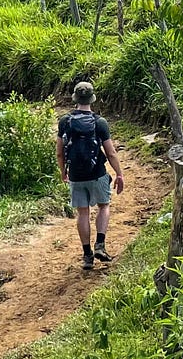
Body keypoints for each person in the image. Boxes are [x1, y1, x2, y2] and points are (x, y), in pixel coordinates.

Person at [57, 80, 124, 270]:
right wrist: (119, 174)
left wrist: (64, 173)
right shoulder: (99, 122)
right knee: (104, 206)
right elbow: (110, 152)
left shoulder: (65, 121)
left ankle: (87, 255)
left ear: (75, 99)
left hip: (76, 176)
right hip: (97, 174)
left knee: (83, 212)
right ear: (92, 99)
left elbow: (60, 152)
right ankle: (100, 245)